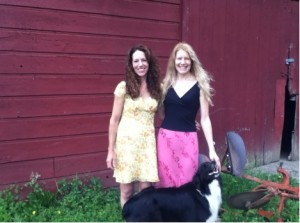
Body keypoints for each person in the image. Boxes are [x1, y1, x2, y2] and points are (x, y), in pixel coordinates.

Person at [155, 42, 221, 188]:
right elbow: (161, 114)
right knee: (165, 181)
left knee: (187, 182)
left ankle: (185, 210)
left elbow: (205, 119)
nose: (182, 62)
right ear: (174, 61)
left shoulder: (200, 85)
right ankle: (167, 211)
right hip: (166, 139)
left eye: (186, 59)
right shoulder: (165, 84)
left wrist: (212, 149)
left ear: (192, 61)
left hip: (188, 140)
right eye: (179, 59)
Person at [106, 44, 161, 208]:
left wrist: (186, 119)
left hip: (146, 146)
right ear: (131, 64)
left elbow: (165, 115)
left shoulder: (157, 89)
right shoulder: (124, 87)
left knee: (146, 191)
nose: (140, 64)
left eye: (143, 60)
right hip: (126, 146)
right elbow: (114, 120)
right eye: (136, 61)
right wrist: (111, 151)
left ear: (149, 62)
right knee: (127, 191)